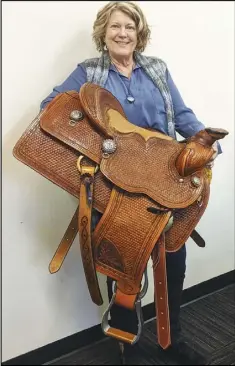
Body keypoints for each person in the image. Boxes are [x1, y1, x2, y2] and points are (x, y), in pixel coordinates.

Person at [40, 1, 220, 364]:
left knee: (174, 262)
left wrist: (204, 141)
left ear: (140, 34)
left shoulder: (157, 69)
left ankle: (175, 339)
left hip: (161, 180)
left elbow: (181, 115)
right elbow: (50, 107)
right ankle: (127, 343)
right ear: (103, 33)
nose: (123, 34)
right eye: (115, 27)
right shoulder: (89, 72)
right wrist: (95, 143)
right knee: (122, 263)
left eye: (130, 27)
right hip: (116, 184)